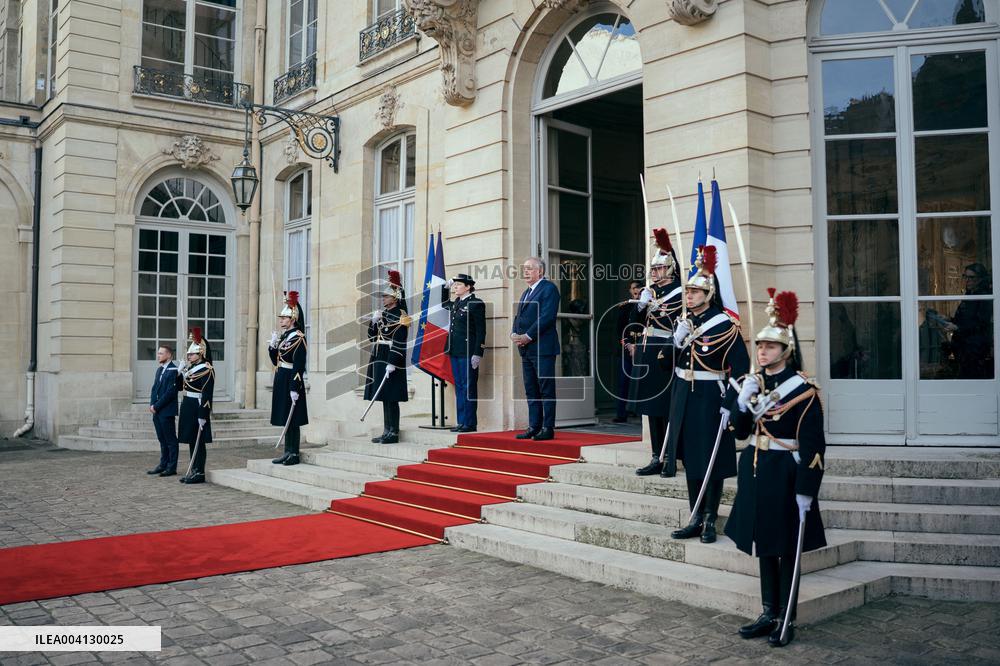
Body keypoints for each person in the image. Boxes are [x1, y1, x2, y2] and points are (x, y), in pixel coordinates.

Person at [724, 288, 826, 648]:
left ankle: (787, 617)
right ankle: (768, 611)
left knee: (786, 548)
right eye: (760, 347)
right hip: (756, 467)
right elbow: (740, 429)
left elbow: (814, 447)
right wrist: (741, 400)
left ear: (786, 351)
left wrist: (806, 490)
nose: (762, 351)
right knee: (764, 544)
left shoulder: (804, 390)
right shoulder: (756, 385)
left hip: (786, 472)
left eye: (769, 347)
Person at [663, 245, 749, 543]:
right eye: (687, 292)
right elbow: (669, 364)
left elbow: (741, 368)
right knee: (690, 458)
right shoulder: (685, 323)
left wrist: (730, 404)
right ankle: (695, 516)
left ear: (709, 294)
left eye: (695, 292)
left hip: (711, 397)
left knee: (711, 459)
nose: (689, 296)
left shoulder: (725, 324)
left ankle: (711, 518)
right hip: (684, 394)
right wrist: (676, 341)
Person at [631, 229, 682, 475]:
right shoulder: (650, 291)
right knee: (651, 408)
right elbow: (633, 321)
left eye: (659, 269)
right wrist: (641, 304)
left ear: (670, 269)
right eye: (653, 269)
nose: (654, 273)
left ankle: (671, 455)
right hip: (648, 351)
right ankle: (655, 456)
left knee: (667, 407)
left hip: (667, 352)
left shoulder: (681, 293)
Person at [510, 257, 561, 441]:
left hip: (543, 348)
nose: (525, 272)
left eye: (530, 268)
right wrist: (514, 333)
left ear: (540, 271)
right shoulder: (526, 292)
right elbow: (520, 317)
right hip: (526, 349)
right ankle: (534, 426)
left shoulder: (549, 289)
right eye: (524, 269)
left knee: (545, 389)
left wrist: (528, 336)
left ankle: (548, 428)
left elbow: (547, 317)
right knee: (531, 389)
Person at [365, 270, 410, 444]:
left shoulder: (401, 315)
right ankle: (386, 430)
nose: (383, 298)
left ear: (395, 297)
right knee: (383, 395)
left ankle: (394, 432)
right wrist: (373, 322)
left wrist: (392, 362)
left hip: (392, 357)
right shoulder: (382, 314)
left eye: (386, 296)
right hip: (380, 355)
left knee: (392, 396)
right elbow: (372, 336)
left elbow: (400, 341)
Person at [442, 273, 486, 433]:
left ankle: (470, 423)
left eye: (458, 285)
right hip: (455, 350)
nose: (455, 287)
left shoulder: (476, 303)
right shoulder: (457, 303)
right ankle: (462, 422)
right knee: (459, 386)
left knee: (468, 387)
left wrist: (478, 352)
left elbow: (481, 330)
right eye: (454, 285)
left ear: (468, 287)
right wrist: (445, 287)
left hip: (468, 352)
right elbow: (442, 303)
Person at [269, 290, 309, 465]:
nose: (281, 321)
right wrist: (272, 346)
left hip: (291, 379)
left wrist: (295, 387)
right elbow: (276, 360)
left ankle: (294, 453)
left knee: (294, 418)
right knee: (286, 416)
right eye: (281, 318)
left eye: (284, 318)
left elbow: (299, 365)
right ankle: (287, 451)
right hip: (281, 376)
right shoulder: (285, 337)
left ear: (292, 319)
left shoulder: (299, 338)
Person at [177, 328, 214, 485]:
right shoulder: (190, 369)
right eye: (189, 354)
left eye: (192, 354)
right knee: (192, 440)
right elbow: (179, 387)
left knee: (199, 442)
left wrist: (203, 414)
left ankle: (199, 472)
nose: (189, 356)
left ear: (201, 354)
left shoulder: (207, 370)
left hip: (198, 406)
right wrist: (179, 373)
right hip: (188, 405)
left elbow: (207, 394)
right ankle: (193, 469)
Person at [614, 279, 643, 423]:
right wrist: (628, 345)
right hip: (627, 350)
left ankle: (641, 412)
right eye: (633, 288)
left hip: (643, 348)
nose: (635, 290)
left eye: (638, 287)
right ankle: (621, 413)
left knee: (642, 382)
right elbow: (620, 330)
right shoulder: (625, 307)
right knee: (624, 382)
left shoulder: (648, 306)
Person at [147, 344, 178, 477]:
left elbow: (170, 393)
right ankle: (163, 464)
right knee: (162, 439)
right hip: (157, 411)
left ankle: (172, 467)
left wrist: (157, 406)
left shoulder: (174, 370)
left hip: (166, 411)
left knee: (170, 440)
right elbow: (155, 389)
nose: (158, 355)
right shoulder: (160, 370)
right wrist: (151, 405)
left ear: (169, 355)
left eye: (161, 353)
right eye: (158, 353)